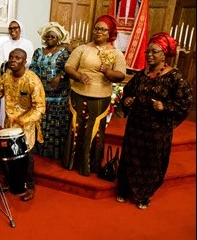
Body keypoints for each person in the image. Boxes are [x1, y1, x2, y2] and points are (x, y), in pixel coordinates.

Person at [116, 32, 193, 210]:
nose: (149, 55)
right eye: (147, 52)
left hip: (157, 130)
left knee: (151, 161)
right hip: (136, 126)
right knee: (130, 158)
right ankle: (125, 189)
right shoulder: (142, 74)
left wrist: (164, 107)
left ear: (165, 53)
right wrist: (127, 100)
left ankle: (144, 194)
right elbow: (129, 90)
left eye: (155, 52)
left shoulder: (175, 77)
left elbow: (185, 103)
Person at [0, 48, 46, 201]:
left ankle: (30, 186)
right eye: (11, 57)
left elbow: (40, 108)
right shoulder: (6, 77)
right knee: (9, 154)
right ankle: (14, 183)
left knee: (27, 157)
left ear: (25, 62)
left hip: (26, 125)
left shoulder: (32, 80)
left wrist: (24, 121)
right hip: (9, 124)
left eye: (18, 58)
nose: (13, 60)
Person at [62, 15, 127, 176]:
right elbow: (68, 66)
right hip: (79, 92)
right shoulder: (82, 49)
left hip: (100, 96)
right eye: (97, 28)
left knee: (94, 129)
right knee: (76, 126)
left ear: (110, 32)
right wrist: (78, 76)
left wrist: (108, 71)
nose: (99, 31)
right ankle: (71, 162)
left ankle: (89, 165)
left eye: (103, 29)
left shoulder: (116, 53)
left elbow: (120, 75)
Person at [29, 22, 71, 159]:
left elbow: (70, 68)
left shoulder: (65, 52)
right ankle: (40, 149)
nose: (49, 39)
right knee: (41, 122)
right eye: (47, 37)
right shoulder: (38, 52)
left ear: (58, 38)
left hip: (59, 95)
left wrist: (60, 76)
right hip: (41, 94)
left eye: (53, 37)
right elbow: (33, 69)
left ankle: (54, 152)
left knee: (55, 124)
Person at [0, 19, 34, 128]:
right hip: (8, 78)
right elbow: (0, 60)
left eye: (15, 28)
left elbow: (31, 60)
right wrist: (7, 65)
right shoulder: (4, 44)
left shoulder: (27, 43)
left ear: (20, 29)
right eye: (10, 28)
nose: (13, 30)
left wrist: (18, 66)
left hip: (23, 78)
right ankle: (6, 128)